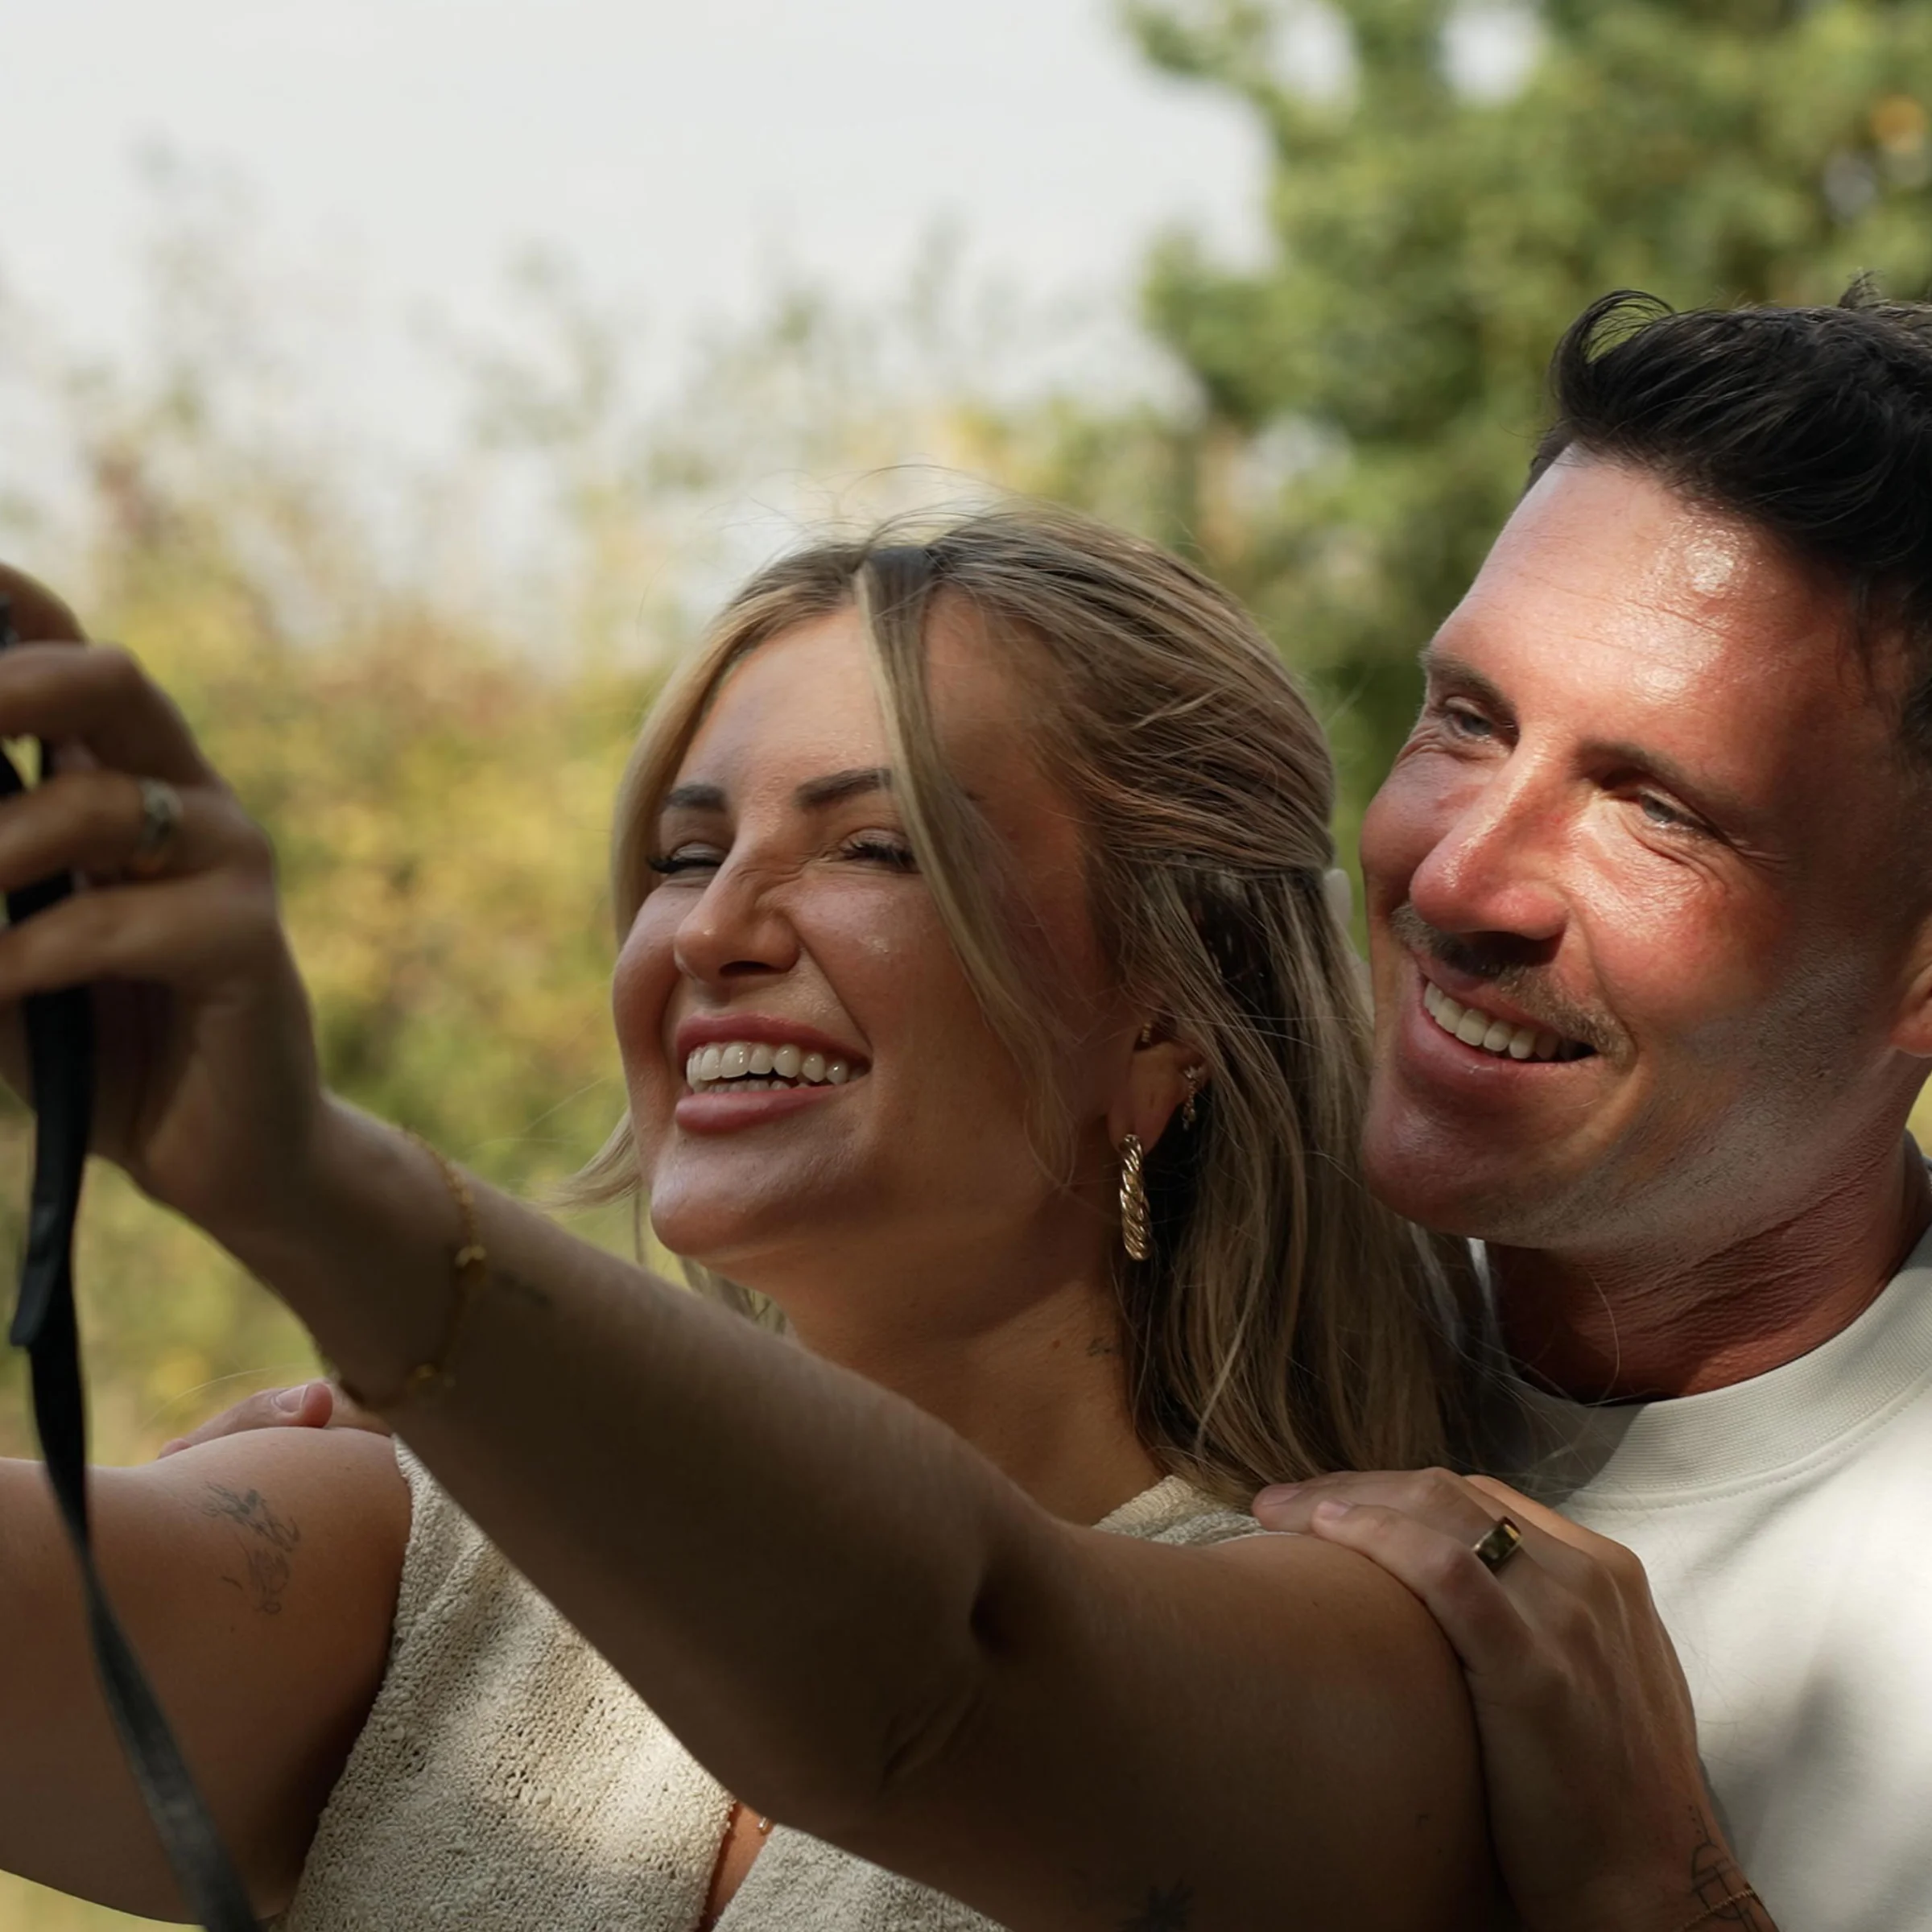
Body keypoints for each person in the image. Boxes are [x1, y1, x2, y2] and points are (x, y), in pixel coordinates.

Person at [0, 512, 1505, 1930]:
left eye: (873, 848)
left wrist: (304, 1177)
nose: (715, 931)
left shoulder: (1384, 1673)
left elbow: (940, 1673)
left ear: (1169, 1017)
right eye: (684, 854)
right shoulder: (427, 1556)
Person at [1246, 287, 1932, 1932]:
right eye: (1467, 720)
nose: (1460, 875)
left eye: (1655, 810)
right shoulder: (1207, 1327)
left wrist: (1655, 1883)